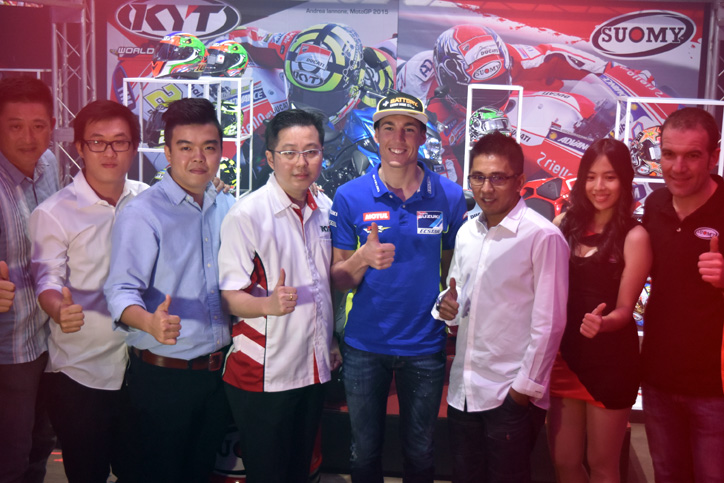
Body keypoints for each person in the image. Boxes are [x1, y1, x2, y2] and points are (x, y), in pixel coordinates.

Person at [330, 92, 468, 482]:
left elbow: (454, 272)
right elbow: (338, 279)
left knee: (421, 453)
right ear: (376, 135)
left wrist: (455, 299)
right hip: (364, 344)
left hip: (425, 344)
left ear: (423, 136)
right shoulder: (350, 196)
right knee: (363, 452)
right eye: (388, 128)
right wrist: (362, 258)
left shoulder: (449, 196)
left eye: (409, 129)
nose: (398, 138)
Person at [103, 97, 234, 483]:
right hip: (163, 378)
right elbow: (120, 290)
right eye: (186, 147)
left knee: (199, 474)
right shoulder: (143, 213)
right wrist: (149, 322)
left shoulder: (227, 205)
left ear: (221, 151)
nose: (198, 158)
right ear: (168, 152)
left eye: (208, 147)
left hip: (217, 376)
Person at [434, 131, 569, 482]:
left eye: (498, 178)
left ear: (519, 181)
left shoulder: (542, 236)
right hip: (464, 389)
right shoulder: (466, 232)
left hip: (509, 393)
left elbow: (550, 323)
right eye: (478, 177)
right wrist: (445, 307)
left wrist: (522, 391)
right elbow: (456, 295)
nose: (486, 188)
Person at [218, 108, 339, 482]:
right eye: (289, 152)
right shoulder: (247, 215)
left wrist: (332, 340)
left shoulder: (326, 209)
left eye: (311, 151)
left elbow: (325, 286)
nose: (301, 163)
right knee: (269, 474)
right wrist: (267, 305)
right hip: (264, 373)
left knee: (301, 471)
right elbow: (228, 295)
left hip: (314, 366)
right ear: (270, 158)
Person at [28, 100, 146, 483]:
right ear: (79, 146)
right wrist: (57, 309)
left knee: (140, 472)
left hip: (139, 368)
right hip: (80, 375)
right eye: (97, 142)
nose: (109, 152)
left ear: (134, 147)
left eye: (120, 142)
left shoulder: (149, 201)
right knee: (86, 474)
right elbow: (46, 279)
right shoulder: (54, 213)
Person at [546, 138, 652, 482]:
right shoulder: (562, 224)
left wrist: (603, 323)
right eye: (591, 177)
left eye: (609, 177)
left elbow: (625, 309)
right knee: (563, 461)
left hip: (611, 362)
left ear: (624, 180)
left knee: (603, 465)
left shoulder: (635, 236)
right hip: (564, 357)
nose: (599, 186)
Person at [640, 107, 724, 482]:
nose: (678, 167)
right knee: (668, 475)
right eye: (669, 154)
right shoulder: (654, 205)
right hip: (657, 379)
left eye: (692, 155)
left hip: (716, 389)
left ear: (713, 156)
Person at [0, 76, 58, 483]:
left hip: (48, 339)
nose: (28, 137)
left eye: (38, 125)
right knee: (10, 456)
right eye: (15, 126)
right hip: (8, 350)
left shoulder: (49, 164)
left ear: (51, 126)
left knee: (41, 444)